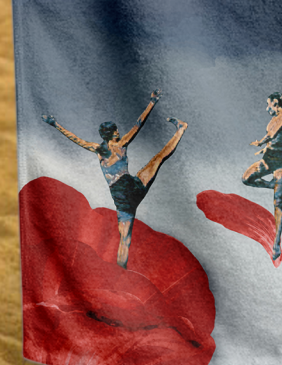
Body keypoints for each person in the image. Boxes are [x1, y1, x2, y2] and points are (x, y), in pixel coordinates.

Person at [43, 90, 188, 268]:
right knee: (158, 158)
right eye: (116, 130)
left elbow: (75, 139)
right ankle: (180, 129)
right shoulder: (121, 144)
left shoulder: (97, 149)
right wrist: (152, 102)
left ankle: (120, 273)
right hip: (133, 188)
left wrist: (55, 124)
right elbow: (138, 124)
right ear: (112, 133)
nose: (118, 132)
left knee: (124, 241)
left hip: (122, 201)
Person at [240, 92, 282, 263]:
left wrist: (261, 142)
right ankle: (270, 185)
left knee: (278, 203)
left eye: (268, 104)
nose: (267, 108)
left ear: (275, 103)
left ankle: (276, 244)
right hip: (269, 158)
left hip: (280, 162)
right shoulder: (276, 116)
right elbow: (275, 139)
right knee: (246, 178)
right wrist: (264, 147)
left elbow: (272, 134)